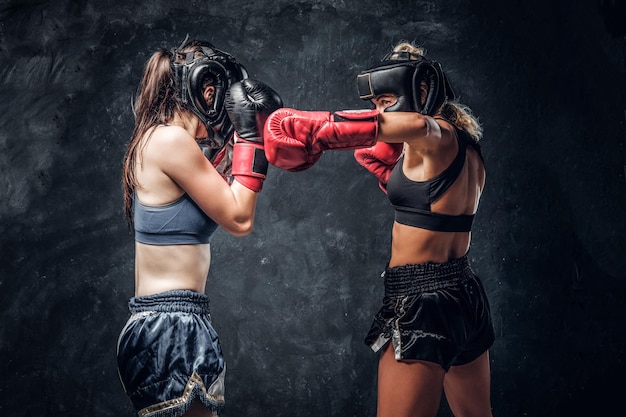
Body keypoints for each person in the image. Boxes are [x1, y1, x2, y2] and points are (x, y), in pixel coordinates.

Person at [262, 41, 495, 417]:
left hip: (422, 302)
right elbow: (433, 206)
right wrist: (395, 177)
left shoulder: (434, 136)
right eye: (376, 105)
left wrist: (315, 127)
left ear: (421, 91)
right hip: (464, 293)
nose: (379, 111)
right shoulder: (466, 146)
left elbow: (420, 125)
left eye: (386, 101)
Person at [117, 36, 282, 417]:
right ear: (208, 91)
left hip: (178, 321)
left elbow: (229, 187)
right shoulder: (169, 141)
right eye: (227, 99)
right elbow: (239, 217)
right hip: (168, 326)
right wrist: (253, 136)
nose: (228, 110)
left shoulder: (163, 141)